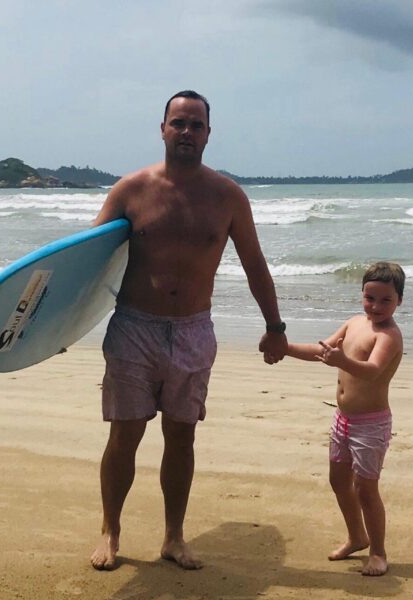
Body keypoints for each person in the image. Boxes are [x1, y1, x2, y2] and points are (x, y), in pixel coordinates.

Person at [88, 90, 288, 571]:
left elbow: (254, 263)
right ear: (162, 129)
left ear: (208, 135)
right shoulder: (130, 190)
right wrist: (54, 329)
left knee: (182, 437)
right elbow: (89, 261)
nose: (186, 132)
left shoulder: (227, 197)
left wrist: (275, 326)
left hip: (194, 331)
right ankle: (110, 530)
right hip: (134, 326)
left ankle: (174, 537)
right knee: (125, 434)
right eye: (178, 123)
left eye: (196, 125)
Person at [284, 262, 405, 576]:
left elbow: (372, 370)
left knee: (366, 488)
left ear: (399, 301)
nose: (376, 306)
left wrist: (342, 360)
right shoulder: (353, 323)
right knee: (338, 481)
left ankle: (378, 552)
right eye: (370, 297)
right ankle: (356, 536)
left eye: (385, 300)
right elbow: (320, 350)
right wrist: (284, 347)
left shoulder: (389, 336)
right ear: (362, 295)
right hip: (343, 420)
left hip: (371, 424)